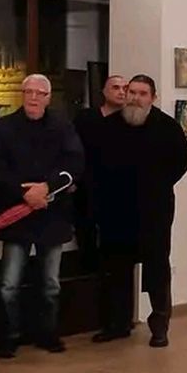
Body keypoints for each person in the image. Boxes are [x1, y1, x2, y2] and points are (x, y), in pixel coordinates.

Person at [88, 74, 187, 347]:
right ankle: (117, 324)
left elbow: (183, 161)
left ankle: (159, 327)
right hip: (116, 211)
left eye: (142, 93)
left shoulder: (167, 127)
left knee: (157, 269)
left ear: (153, 97)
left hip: (154, 211)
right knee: (116, 269)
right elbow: (95, 166)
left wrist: (158, 184)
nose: (135, 98)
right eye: (131, 92)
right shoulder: (109, 127)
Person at [0, 74, 85, 357]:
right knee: (9, 284)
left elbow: (75, 163)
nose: (33, 97)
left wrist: (46, 189)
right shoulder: (3, 127)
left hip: (51, 214)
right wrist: (24, 192)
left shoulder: (63, 127)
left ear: (48, 98)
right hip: (15, 213)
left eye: (40, 93)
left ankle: (48, 334)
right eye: (29, 92)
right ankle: (9, 338)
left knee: (50, 283)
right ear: (22, 94)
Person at [72, 74, 127, 270]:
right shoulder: (85, 118)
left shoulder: (130, 121)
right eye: (115, 87)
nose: (121, 92)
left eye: (125, 88)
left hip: (117, 190)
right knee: (85, 235)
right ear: (104, 91)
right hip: (86, 187)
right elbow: (72, 150)